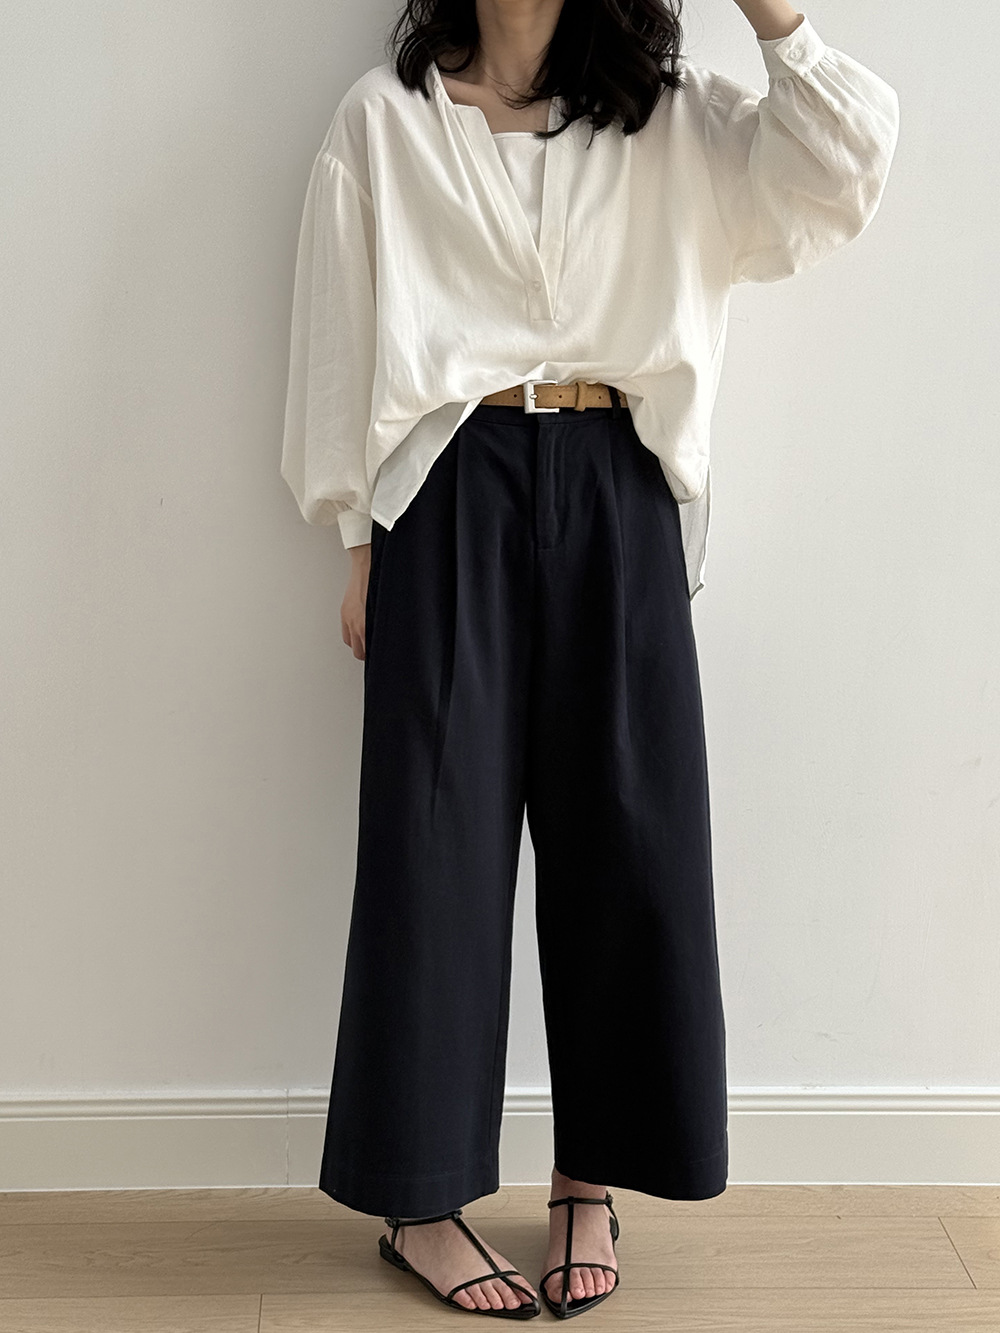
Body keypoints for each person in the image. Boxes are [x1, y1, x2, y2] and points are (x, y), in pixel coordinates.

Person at [280, 0, 900, 1319]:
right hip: (444, 492)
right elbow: (339, 334)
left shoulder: (668, 120)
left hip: (621, 485)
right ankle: (421, 1202)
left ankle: (589, 1178)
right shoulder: (384, 124)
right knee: (434, 846)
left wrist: (772, 15)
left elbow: (842, 174)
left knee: (631, 835)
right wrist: (356, 539)